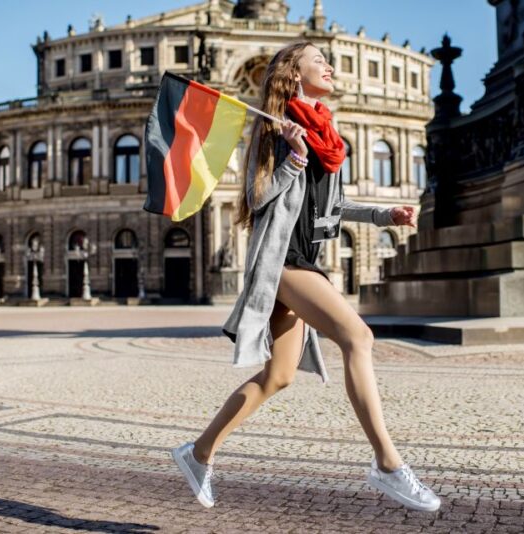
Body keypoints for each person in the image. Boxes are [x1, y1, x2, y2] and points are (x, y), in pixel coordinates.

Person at [171, 41, 440, 513]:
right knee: (358, 337)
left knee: (278, 376)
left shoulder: (327, 135)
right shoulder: (275, 130)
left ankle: (197, 453)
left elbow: (332, 207)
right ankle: (388, 464)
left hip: (304, 256)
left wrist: (384, 215)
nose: (330, 67)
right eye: (319, 61)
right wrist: (293, 156)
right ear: (293, 74)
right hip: (283, 260)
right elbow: (256, 197)